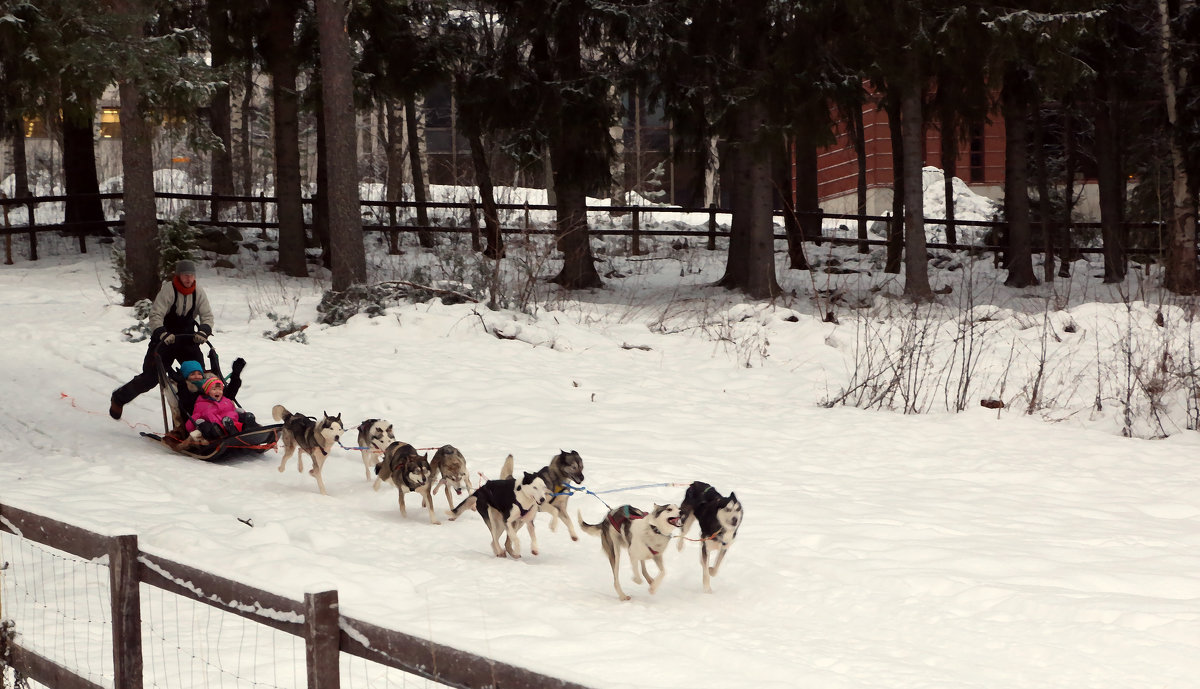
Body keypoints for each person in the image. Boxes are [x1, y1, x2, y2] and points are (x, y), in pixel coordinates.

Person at [110, 260, 214, 419]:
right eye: (185, 275)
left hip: (187, 339)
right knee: (151, 378)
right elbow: (155, 315)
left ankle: (201, 416)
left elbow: (207, 316)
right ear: (178, 275)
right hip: (164, 340)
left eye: (192, 275)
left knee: (198, 375)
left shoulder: (198, 292)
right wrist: (162, 333)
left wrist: (204, 330)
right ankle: (119, 398)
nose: (189, 279)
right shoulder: (168, 290)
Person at [185, 376, 257, 444]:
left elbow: (233, 410)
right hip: (217, 429)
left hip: (233, 423)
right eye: (214, 389)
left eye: (220, 389)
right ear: (207, 392)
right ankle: (228, 434)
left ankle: (249, 428)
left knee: (244, 416)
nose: (218, 391)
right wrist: (196, 423)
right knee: (210, 427)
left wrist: (239, 412)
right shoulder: (201, 404)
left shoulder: (226, 401)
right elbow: (193, 418)